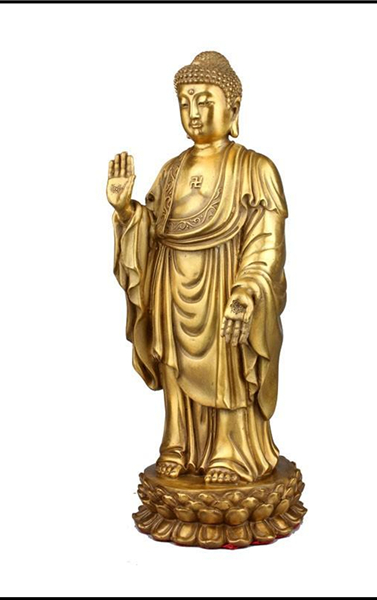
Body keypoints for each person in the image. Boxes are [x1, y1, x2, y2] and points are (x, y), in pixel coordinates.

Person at [107, 51, 288, 484]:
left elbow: (266, 240)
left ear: (233, 108)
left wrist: (247, 290)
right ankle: (178, 445)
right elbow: (152, 232)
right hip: (171, 284)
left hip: (225, 283)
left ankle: (231, 452)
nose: (194, 112)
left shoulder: (255, 169)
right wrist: (127, 210)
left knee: (227, 367)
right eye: (185, 101)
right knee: (173, 366)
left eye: (205, 101)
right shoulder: (170, 172)